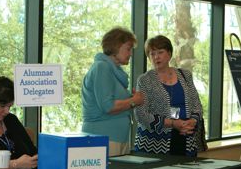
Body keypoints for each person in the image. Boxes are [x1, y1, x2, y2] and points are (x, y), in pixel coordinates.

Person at [134, 35, 204, 156]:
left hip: (186, 138)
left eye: (160, 52)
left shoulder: (185, 75)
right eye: (152, 54)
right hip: (154, 144)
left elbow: (197, 105)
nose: (156, 57)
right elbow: (141, 114)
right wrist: (172, 123)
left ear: (169, 54)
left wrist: (192, 121)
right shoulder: (144, 80)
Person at [81, 27, 144, 156]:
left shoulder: (114, 71)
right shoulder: (102, 67)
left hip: (117, 139)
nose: (130, 53)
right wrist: (133, 101)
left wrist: (130, 99)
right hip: (102, 138)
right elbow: (108, 106)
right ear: (116, 47)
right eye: (128, 48)